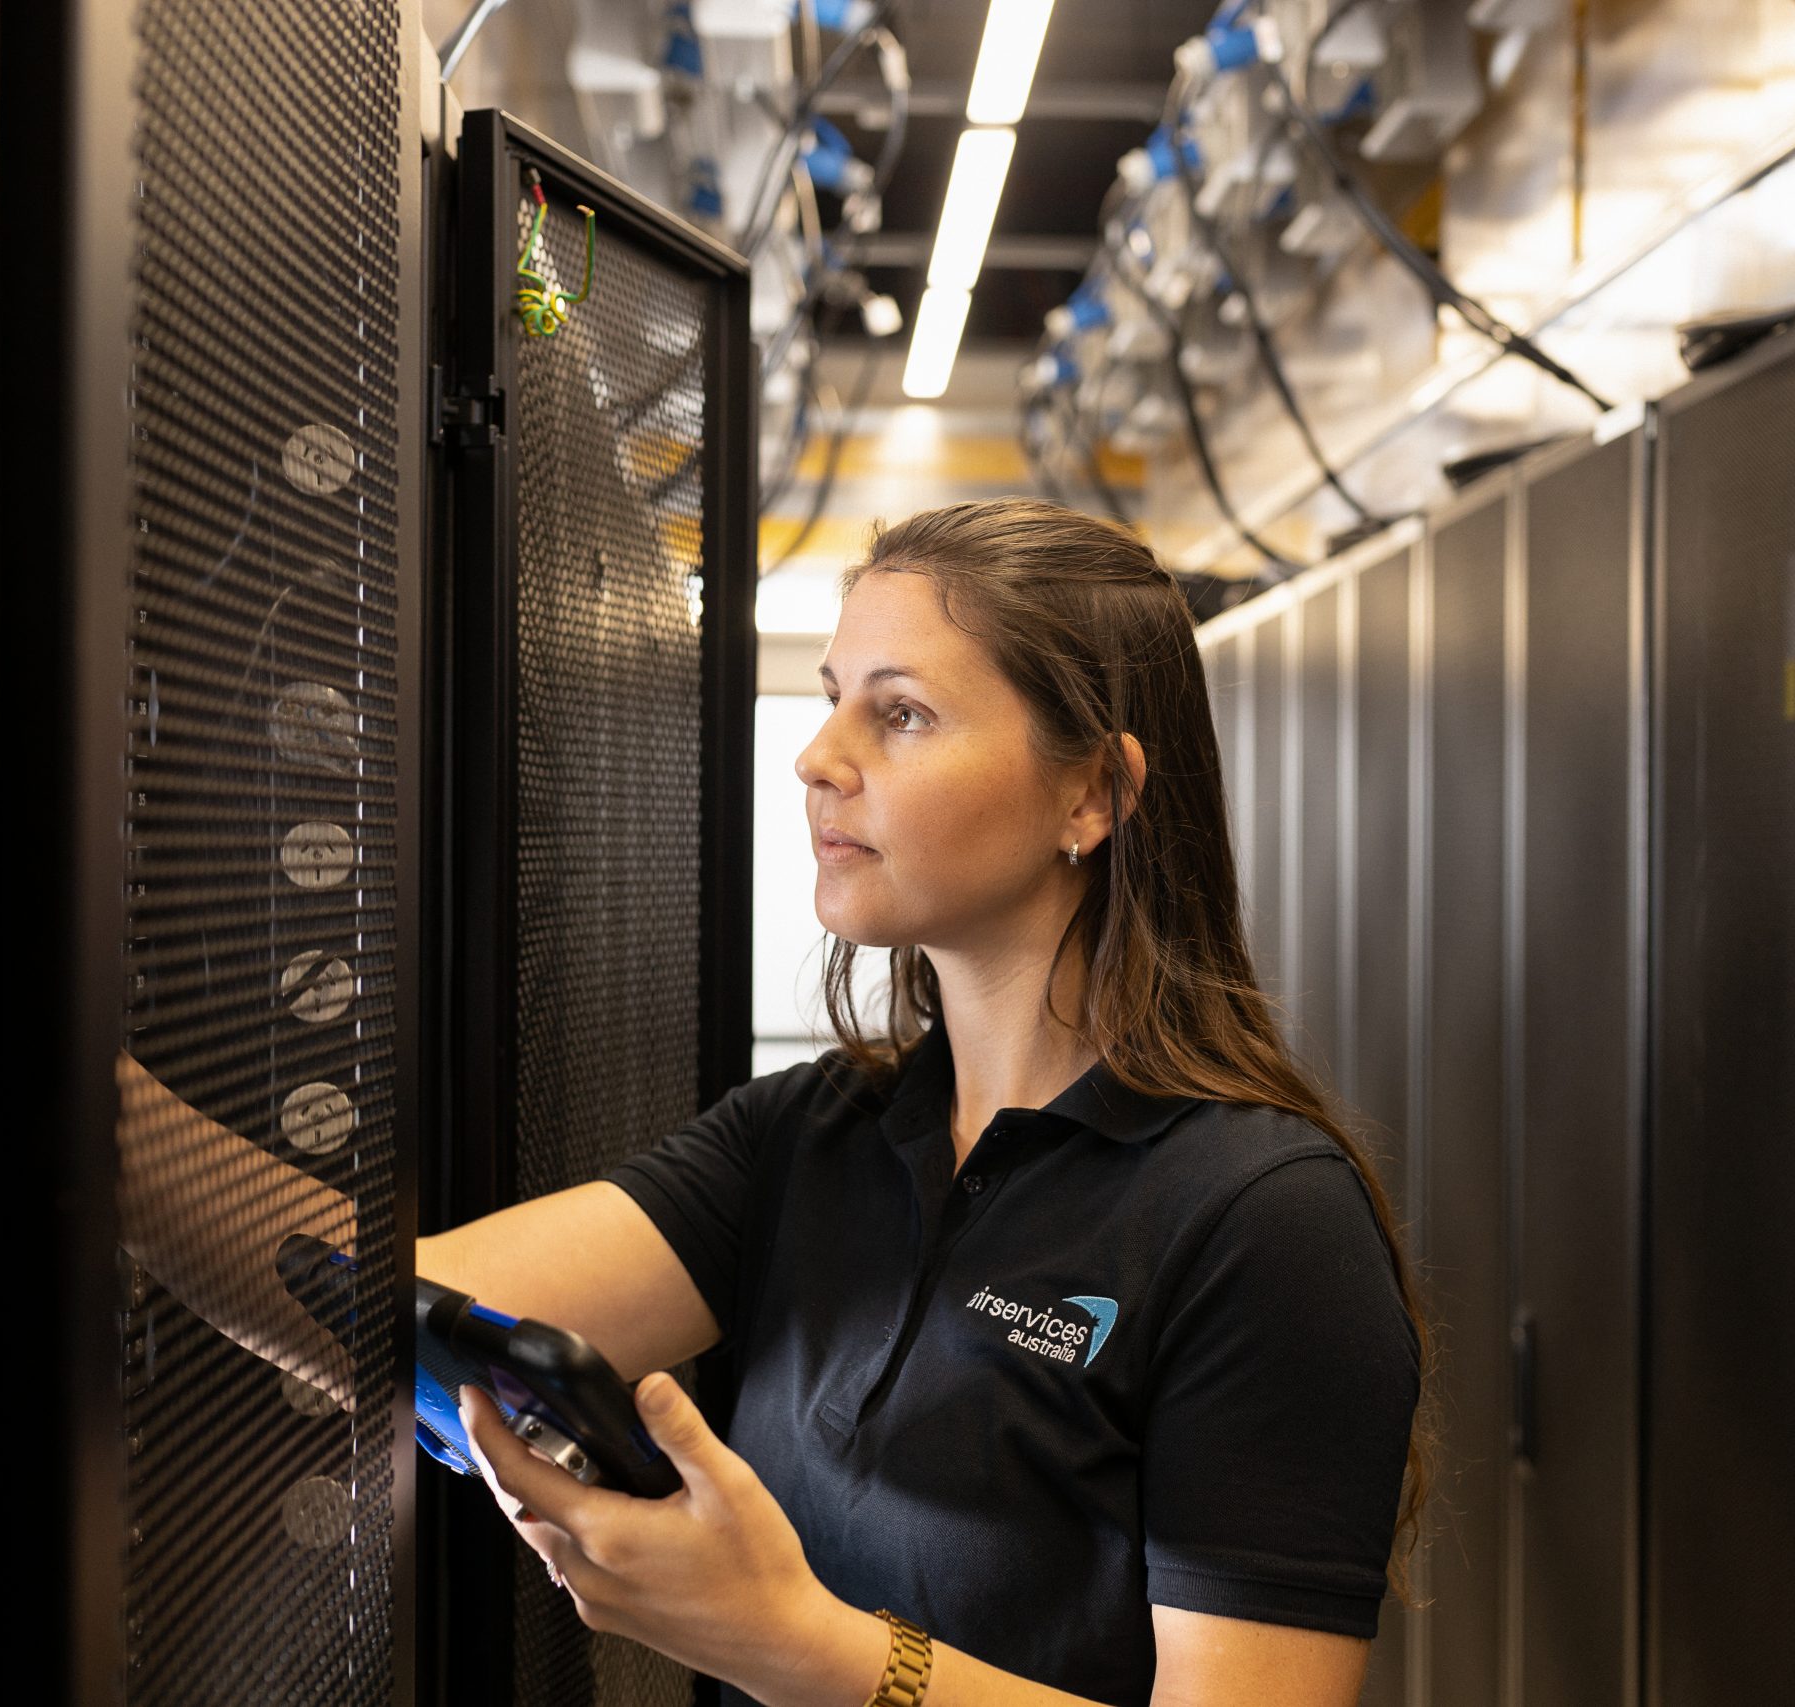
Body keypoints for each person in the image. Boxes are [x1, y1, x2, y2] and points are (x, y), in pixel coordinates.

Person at [420, 499, 1428, 1707]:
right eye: (835, 694)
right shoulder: (811, 1135)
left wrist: (792, 1644)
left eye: (899, 713)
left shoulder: (1260, 1220)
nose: (816, 756)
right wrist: (131, 1139)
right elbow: (372, 1310)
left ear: (1091, 797)